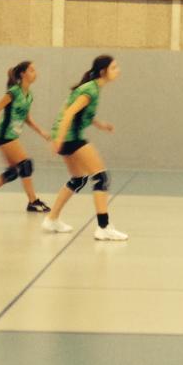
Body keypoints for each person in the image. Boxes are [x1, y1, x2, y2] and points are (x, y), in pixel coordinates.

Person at [41, 55, 128, 241]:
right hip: (69, 137)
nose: (118, 70)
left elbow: (83, 113)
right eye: (114, 67)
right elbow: (69, 113)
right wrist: (58, 140)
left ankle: (51, 219)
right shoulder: (90, 90)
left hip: (67, 136)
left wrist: (100, 124)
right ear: (103, 71)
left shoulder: (93, 88)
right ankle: (103, 227)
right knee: (101, 177)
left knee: (78, 179)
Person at [0, 61, 51, 213]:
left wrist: (41, 132)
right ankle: (33, 201)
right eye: (31, 70)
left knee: (13, 172)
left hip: (12, 135)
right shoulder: (13, 92)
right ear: (23, 74)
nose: (35, 73)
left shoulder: (29, 95)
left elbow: (27, 118)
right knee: (26, 164)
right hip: (4, 134)